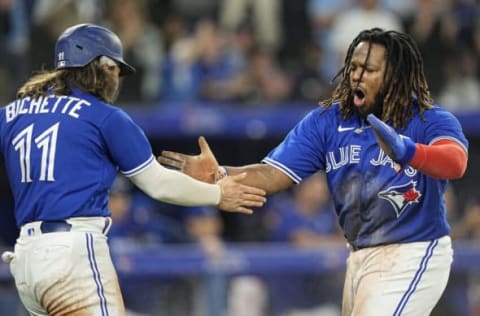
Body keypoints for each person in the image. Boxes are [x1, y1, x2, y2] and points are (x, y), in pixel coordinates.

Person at [159, 27, 469, 315]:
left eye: (370, 70)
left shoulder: (428, 120)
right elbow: (272, 174)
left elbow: (455, 162)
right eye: (353, 68)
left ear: (396, 78)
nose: (356, 77)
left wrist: (409, 151)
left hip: (414, 250)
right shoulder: (327, 122)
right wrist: (219, 174)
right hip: (360, 256)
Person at [0, 23, 267, 316]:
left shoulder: (11, 113)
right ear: (99, 64)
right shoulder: (103, 116)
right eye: (114, 68)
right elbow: (157, 184)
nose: (117, 77)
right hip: (72, 254)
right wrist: (217, 193)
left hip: (25, 259)